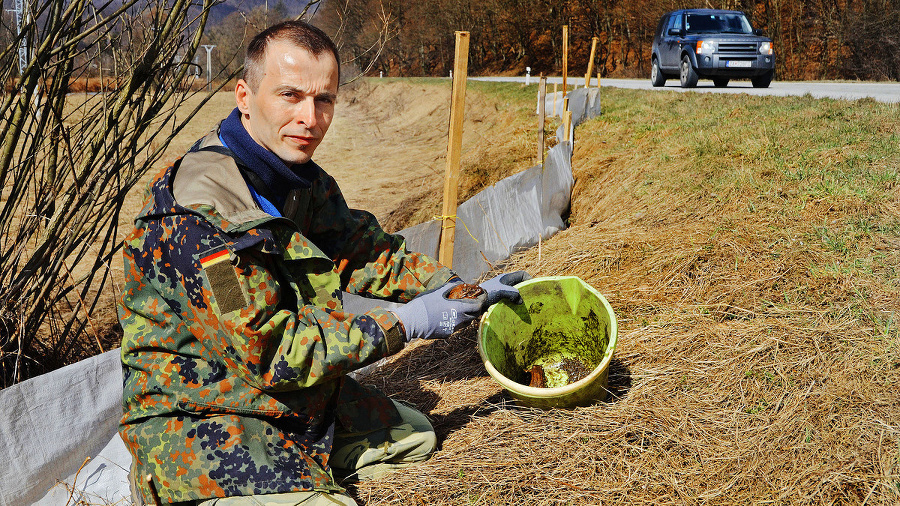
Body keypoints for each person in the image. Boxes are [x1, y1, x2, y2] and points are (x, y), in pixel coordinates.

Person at [118, 20, 528, 506]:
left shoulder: (296, 179)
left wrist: (461, 291)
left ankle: (298, 469)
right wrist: (404, 324)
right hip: (201, 411)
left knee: (417, 434)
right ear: (245, 97)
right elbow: (269, 354)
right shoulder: (198, 222)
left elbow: (366, 253)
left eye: (324, 99)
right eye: (290, 96)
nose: (310, 119)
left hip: (276, 397)